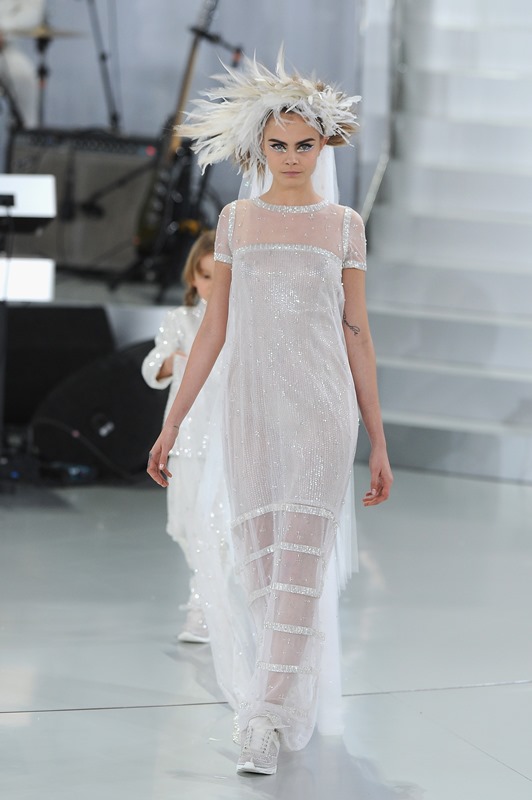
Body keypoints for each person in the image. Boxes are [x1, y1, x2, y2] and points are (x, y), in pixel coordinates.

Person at [147, 50, 393, 776]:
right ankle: (280, 700)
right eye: (279, 145)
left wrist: (379, 440)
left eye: (304, 145)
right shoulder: (236, 222)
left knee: (299, 567)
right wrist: (171, 423)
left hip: (322, 411)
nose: (291, 157)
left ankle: (262, 716)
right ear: (259, 147)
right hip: (250, 409)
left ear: (324, 145)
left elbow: (358, 335)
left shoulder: (344, 226)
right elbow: (213, 332)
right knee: (259, 562)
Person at [142, 230, 218, 644]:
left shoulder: (241, 323)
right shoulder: (180, 321)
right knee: (187, 525)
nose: (212, 285)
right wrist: (175, 361)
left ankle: (205, 607)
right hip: (186, 441)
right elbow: (152, 366)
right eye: (205, 276)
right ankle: (206, 600)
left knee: (218, 526)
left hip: (225, 440)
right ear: (192, 277)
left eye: (220, 276)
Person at [0, 0, 44, 128]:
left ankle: (26, 133)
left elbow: (32, 14)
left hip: (5, 48)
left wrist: (4, 28)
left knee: (23, 75)